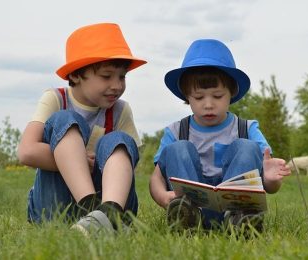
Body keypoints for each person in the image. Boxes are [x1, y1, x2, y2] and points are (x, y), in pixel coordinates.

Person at [17, 23, 146, 234]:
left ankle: (109, 213)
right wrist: (77, 160)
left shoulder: (121, 110)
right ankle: (92, 210)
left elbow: (128, 161)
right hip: (56, 207)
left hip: (110, 198)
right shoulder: (56, 99)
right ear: (76, 75)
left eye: (122, 76)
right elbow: (27, 151)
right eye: (106, 76)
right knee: (64, 119)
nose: (117, 85)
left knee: (119, 140)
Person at [149, 39, 291, 231]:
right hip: (192, 205)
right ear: (186, 96)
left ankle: (241, 221)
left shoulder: (247, 129)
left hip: (235, 207)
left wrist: (271, 181)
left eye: (217, 96)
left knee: (247, 147)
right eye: (199, 97)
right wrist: (162, 197)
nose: (208, 104)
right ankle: (186, 219)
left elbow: (268, 185)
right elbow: (156, 178)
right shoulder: (176, 131)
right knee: (178, 149)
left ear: (231, 92)